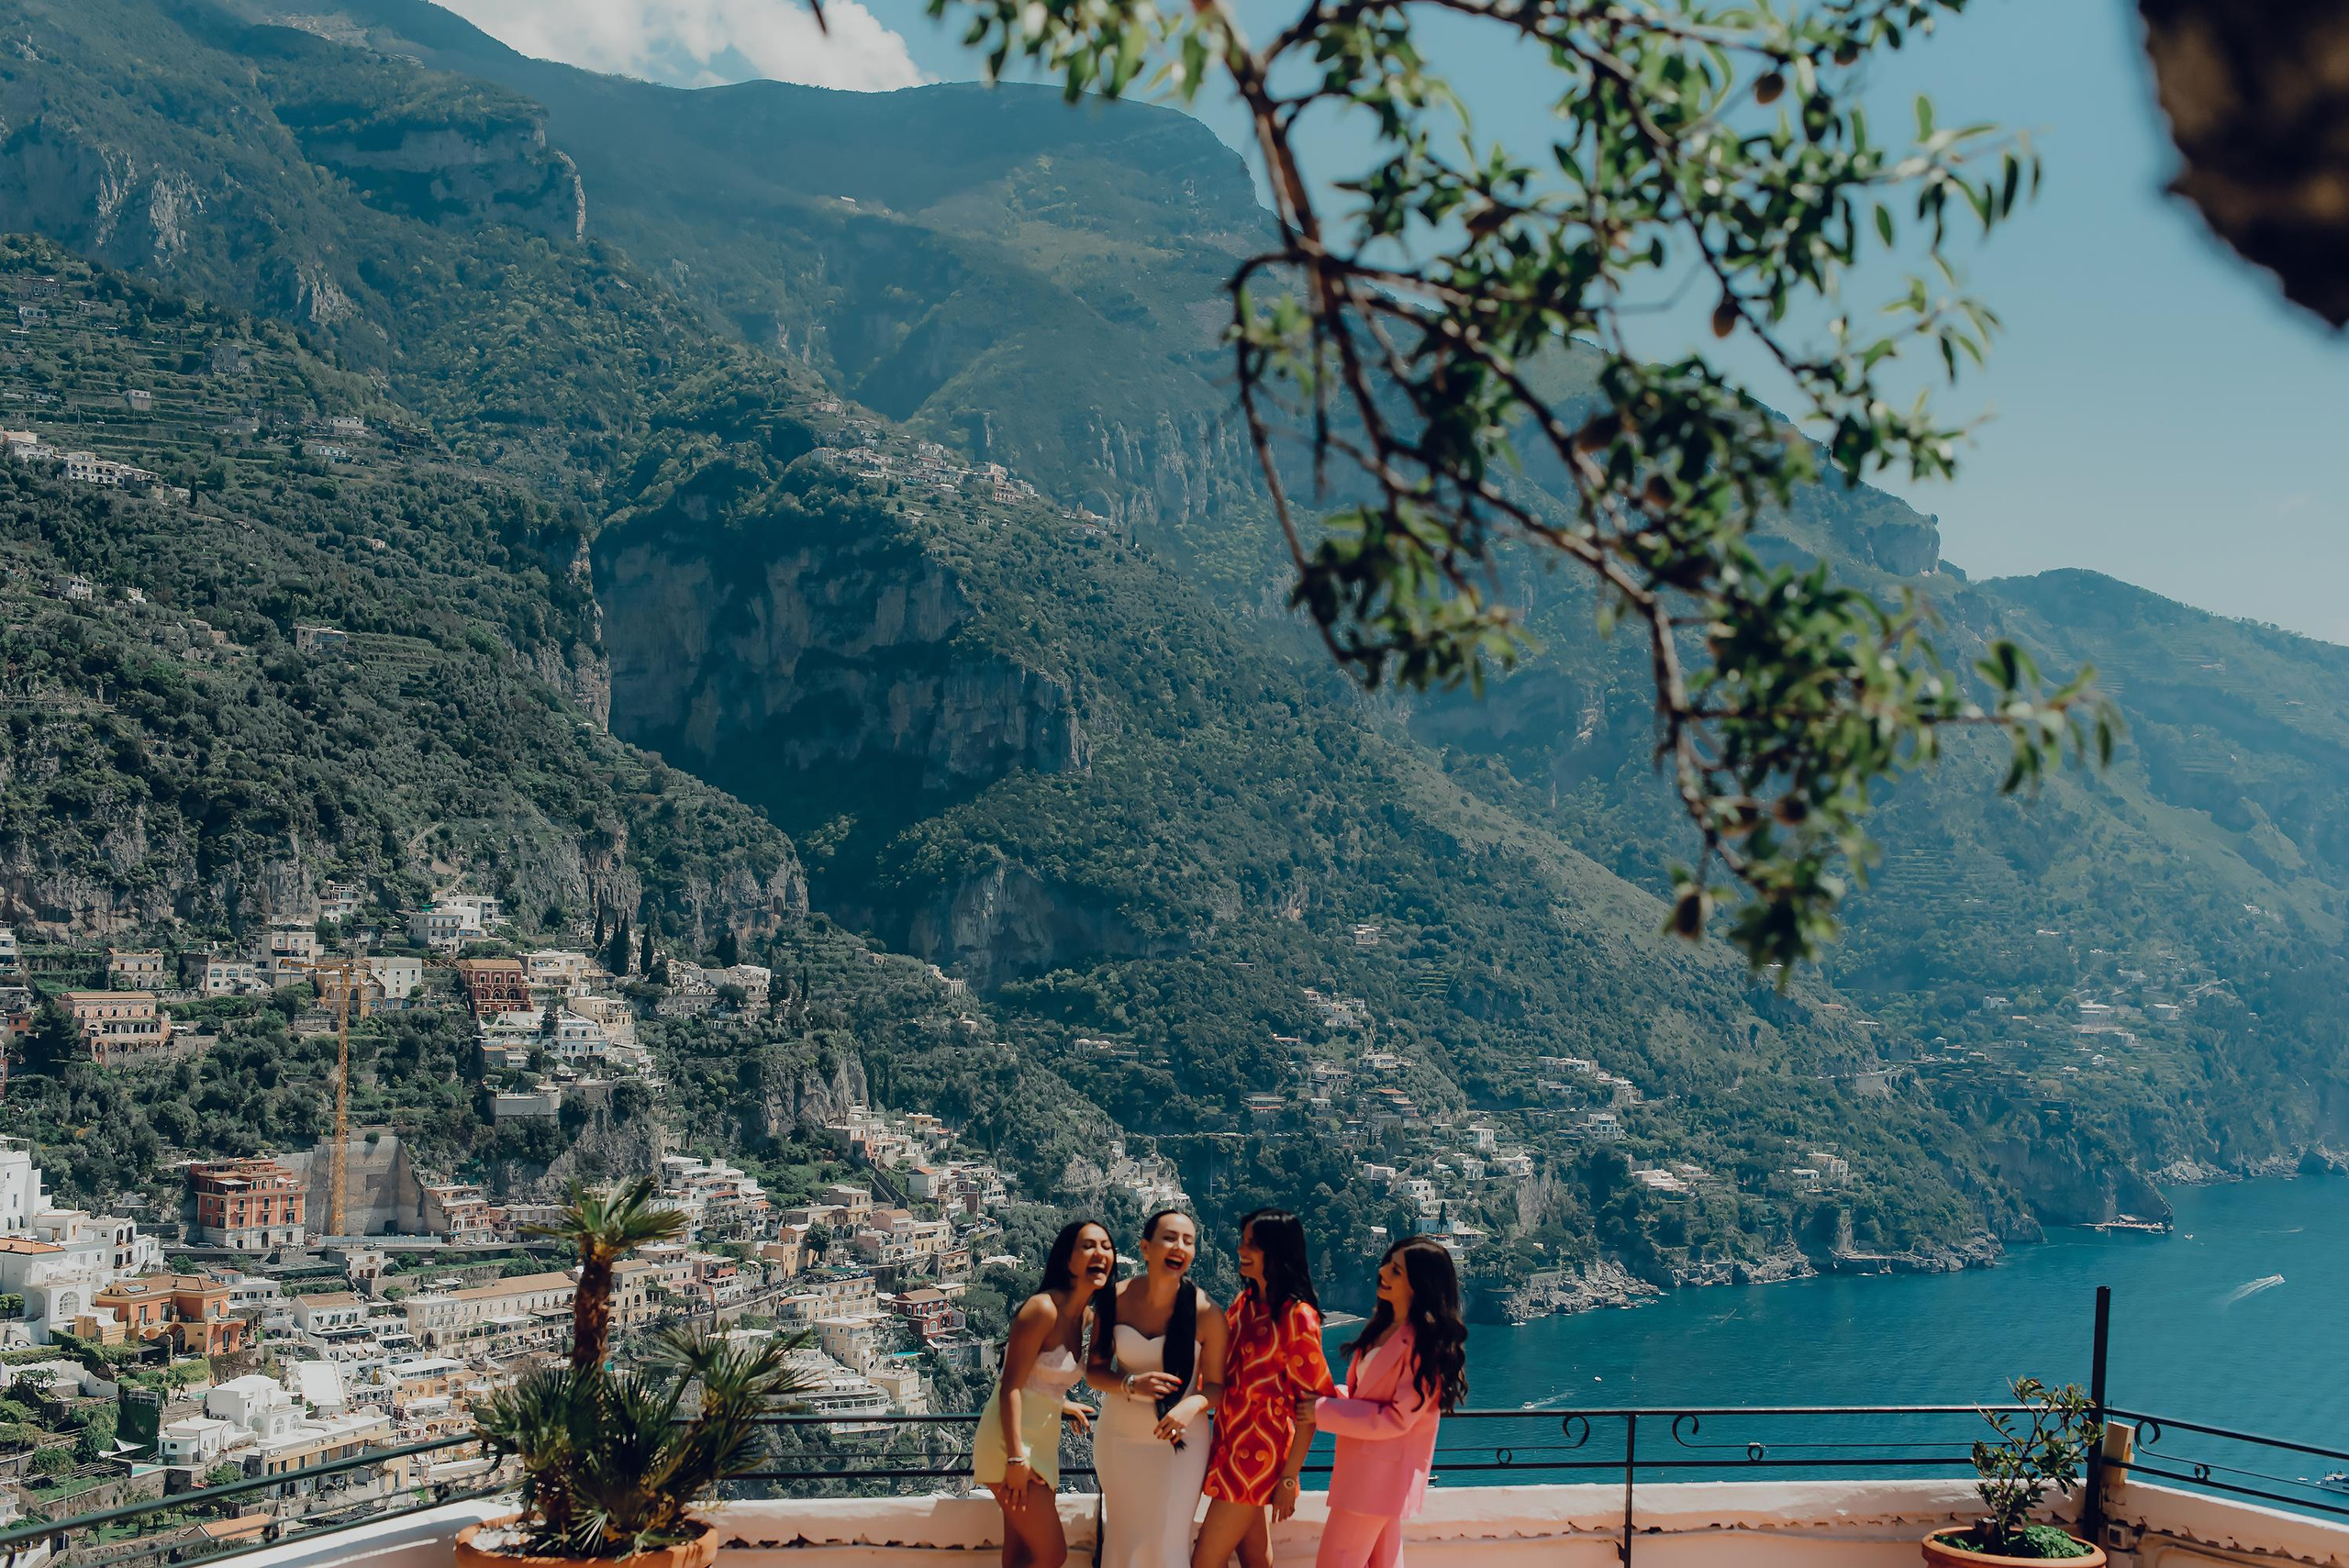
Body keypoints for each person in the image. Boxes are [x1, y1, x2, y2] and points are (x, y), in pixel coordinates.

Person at [1299, 1236, 1469, 1568]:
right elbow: (1370, 1396)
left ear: (1419, 1284)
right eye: (1387, 1265)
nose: (1382, 1274)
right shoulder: (1387, 1328)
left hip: (1376, 1481)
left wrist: (1321, 1411)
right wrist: (1332, 1396)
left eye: (1396, 1271)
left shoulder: (1424, 1345)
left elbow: (1396, 1417)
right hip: (1369, 1476)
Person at [1194, 1207, 1335, 1568]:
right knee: (1256, 1558)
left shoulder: (1297, 1316)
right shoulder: (1245, 1305)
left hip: (1258, 1458)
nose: (1241, 1249)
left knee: (1204, 1561)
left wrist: (1289, 1479)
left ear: (1276, 1252)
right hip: (1228, 1448)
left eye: (1252, 1244)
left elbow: (1311, 1406)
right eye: (1243, 1241)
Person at [1089, 1209, 1230, 1568]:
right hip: (1118, 1440)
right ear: (1145, 1248)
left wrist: (1189, 1406)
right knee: (1123, 1540)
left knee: (1167, 1541)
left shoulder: (1207, 1313)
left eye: (1188, 1240)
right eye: (1170, 1237)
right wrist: (1130, 1383)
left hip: (1180, 1445)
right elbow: (1094, 1372)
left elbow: (1217, 1386)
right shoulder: (1114, 1300)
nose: (1179, 1246)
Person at [974, 1219, 1116, 1568]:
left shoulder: (1086, 1317)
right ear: (1067, 1261)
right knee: (1053, 1553)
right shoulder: (1042, 1309)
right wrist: (1016, 1459)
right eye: (1088, 1246)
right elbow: (1010, 1386)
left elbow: (1035, 1380)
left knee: (1020, 1554)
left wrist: (1061, 1402)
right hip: (1011, 1444)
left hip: (1043, 1443)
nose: (1100, 1253)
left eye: (1106, 1246)